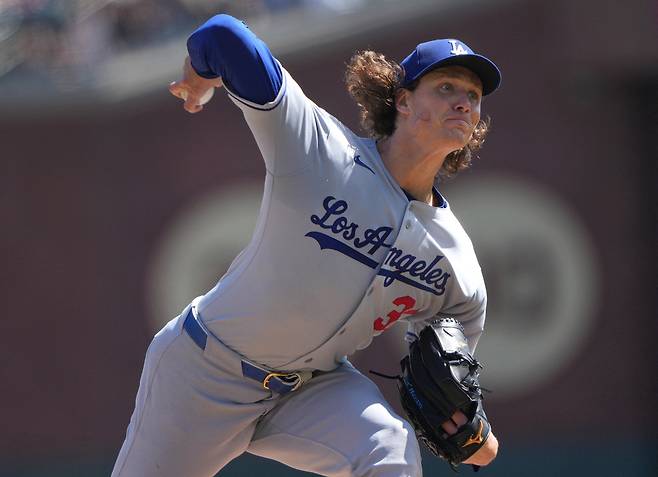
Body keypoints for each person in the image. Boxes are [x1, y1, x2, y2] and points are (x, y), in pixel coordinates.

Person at [112, 13, 501, 477]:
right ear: (402, 100)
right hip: (204, 371)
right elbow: (223, 36)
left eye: (473, 97)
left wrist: (474, 433)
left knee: (390, 449)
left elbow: (451, 385)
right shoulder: (322, 149)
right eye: (446, 88)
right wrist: (199, 76)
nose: (463, 103)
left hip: (311, 390)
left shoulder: (454, 260)